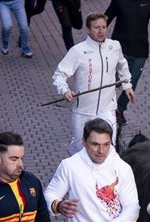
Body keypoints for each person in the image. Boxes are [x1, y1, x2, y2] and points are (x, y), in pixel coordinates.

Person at [52, 12, 134, 154]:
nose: (101, 31)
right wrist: (64, 90)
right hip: (83, 110)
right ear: (88, 29)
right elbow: (59, 74)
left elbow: (123, 66)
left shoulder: (114, 46)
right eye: (96, 27)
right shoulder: (77, 51)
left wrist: (127, 86)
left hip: (107, 108)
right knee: (80, 147)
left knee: (109, 147)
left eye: (103, 27)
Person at [106, 0, 150, 124]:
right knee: (113, 81)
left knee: (131, 83)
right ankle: (104, 108)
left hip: (140, 51)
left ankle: (119, 109)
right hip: (119, 48)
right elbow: (106, 18)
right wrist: (96, 32)